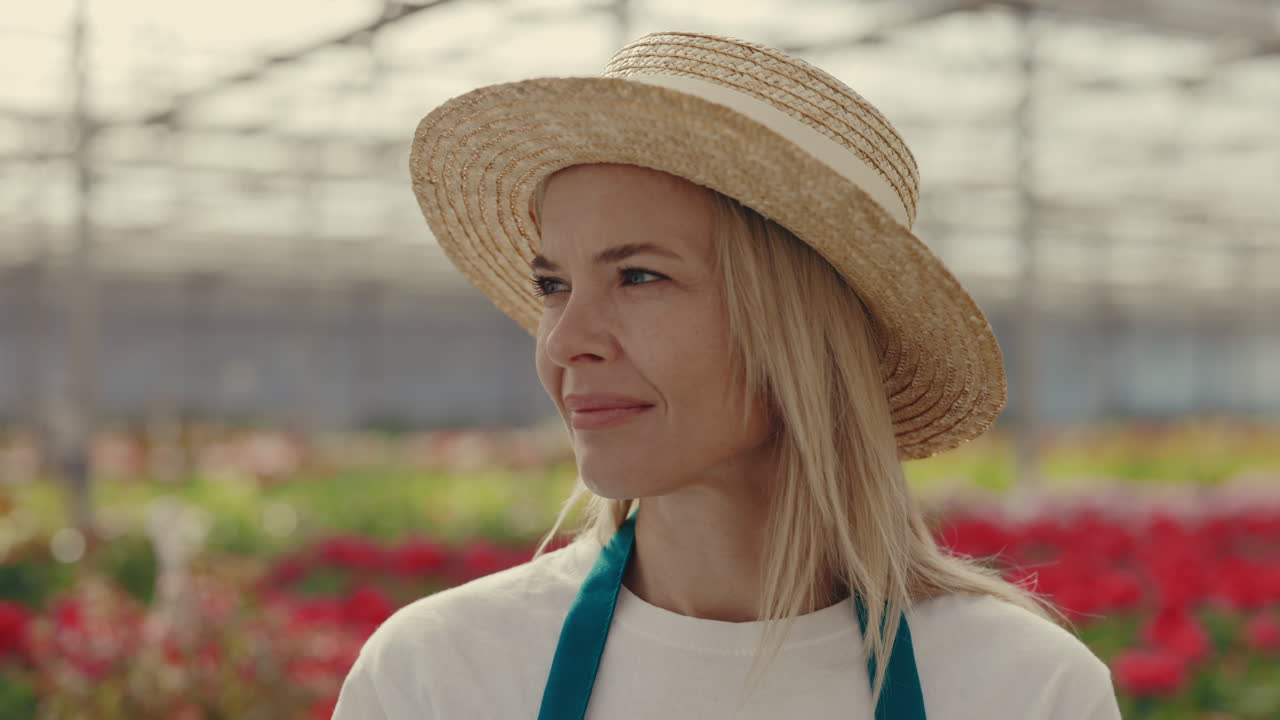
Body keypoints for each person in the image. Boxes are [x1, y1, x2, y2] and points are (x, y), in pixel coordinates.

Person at [333, 30, 1121, 719]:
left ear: (800, 330)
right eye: (552, 285)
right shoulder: (437, 675)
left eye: (638, 276)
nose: (566, 340)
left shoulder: (1023, 691)